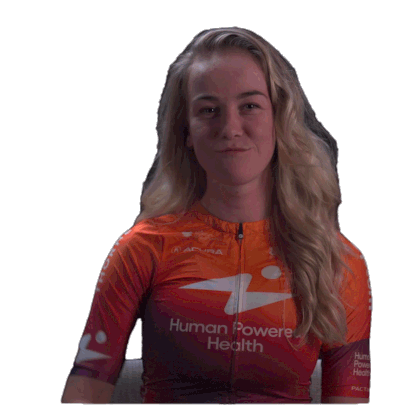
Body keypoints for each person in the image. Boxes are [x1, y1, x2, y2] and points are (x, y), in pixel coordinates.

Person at [61, 27, 371, 404]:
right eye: (209, 110)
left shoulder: (340, 263)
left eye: (250, 106)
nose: (230, 129)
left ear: (280, 119)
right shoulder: (142, 249)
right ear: (186, 132)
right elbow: (85, 390)